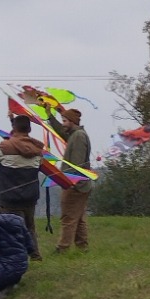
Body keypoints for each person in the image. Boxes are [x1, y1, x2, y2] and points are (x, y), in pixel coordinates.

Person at [0, 114, 45, 259]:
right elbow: (39, 165)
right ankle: (35, 254)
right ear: (29, 129)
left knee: (11, 229)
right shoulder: (37, 149)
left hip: (9, 198)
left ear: (14, 128)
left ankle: (15, 257)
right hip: (30, 196)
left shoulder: (5, 147)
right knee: (29, 226)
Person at [47, 106, 93, 252]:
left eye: (65, 121)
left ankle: (62, 247)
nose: (63, 124)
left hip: (75, 185)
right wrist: (49, 115)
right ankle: (82, 247)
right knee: (78, 217)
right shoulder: (75, 135)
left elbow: (77, 164)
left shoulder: (78, 136)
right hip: (80, 184)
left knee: (68, 217)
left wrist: (71, 183)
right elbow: (60, 131)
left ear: (72, 121)